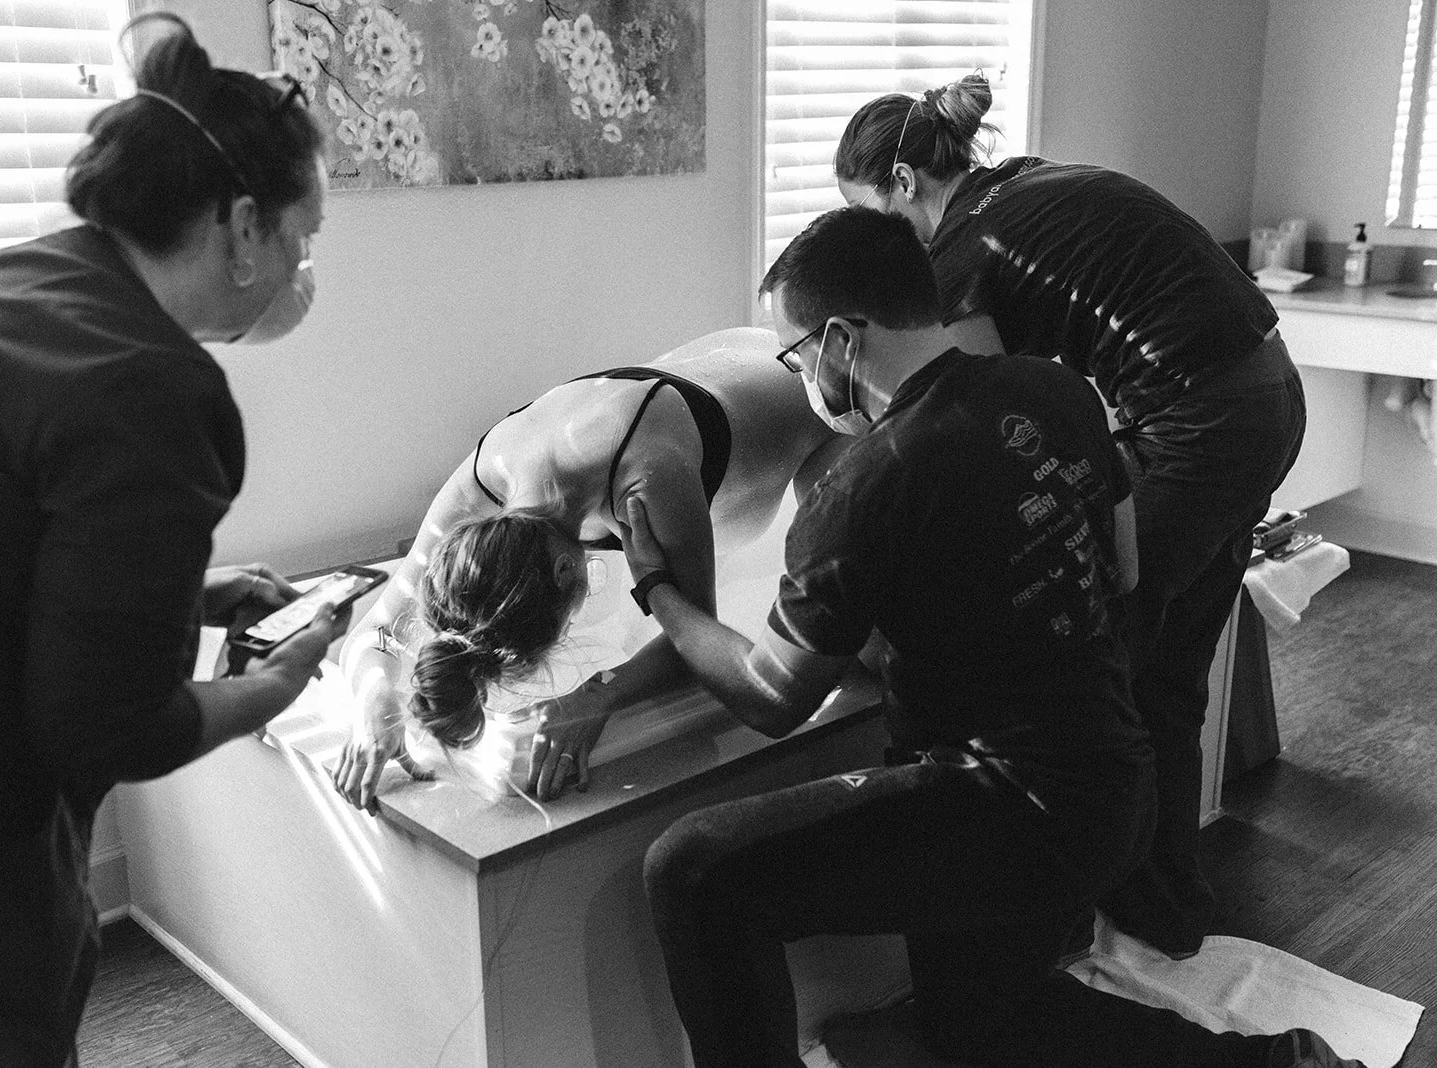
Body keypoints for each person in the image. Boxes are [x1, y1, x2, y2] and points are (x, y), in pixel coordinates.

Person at [623, 207, 1361, 1068]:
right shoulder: (1056, 390)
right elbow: (1123, 569)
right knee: (979, 1032)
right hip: (1118, 785)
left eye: (793, 357)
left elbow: (772, 696)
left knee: (693, 868)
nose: (800, 381)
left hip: (1009, 808)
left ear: (840, 341)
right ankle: (1289, 1062)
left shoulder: (864, 484)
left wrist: (659, 588)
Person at [0, 14, 341, 1065]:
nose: (303, 264)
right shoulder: (152, 385)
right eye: (303, 236)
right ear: (244, 227)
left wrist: (183, 596)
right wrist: (273, 688)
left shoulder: (35, 282)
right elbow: (106, 728)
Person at [833, 73, 1307, 959]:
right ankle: (1161, 904)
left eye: (871, 215)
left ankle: (1060, 916)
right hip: (1267, 392)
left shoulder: (962, 246)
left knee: (1090, 668)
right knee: (1166, 674)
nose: (879, 245)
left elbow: (964, 410)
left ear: (904, 182)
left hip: (1200, 421)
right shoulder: (1026, 181)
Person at [333, 328, 860, 808]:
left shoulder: (646, 474)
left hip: (822, 405)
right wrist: (374, 702)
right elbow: (379, 630)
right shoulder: (482, 481)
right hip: (730, 361)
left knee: (864, 647)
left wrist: (596, 696)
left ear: (568, 571)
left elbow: (698, 644)